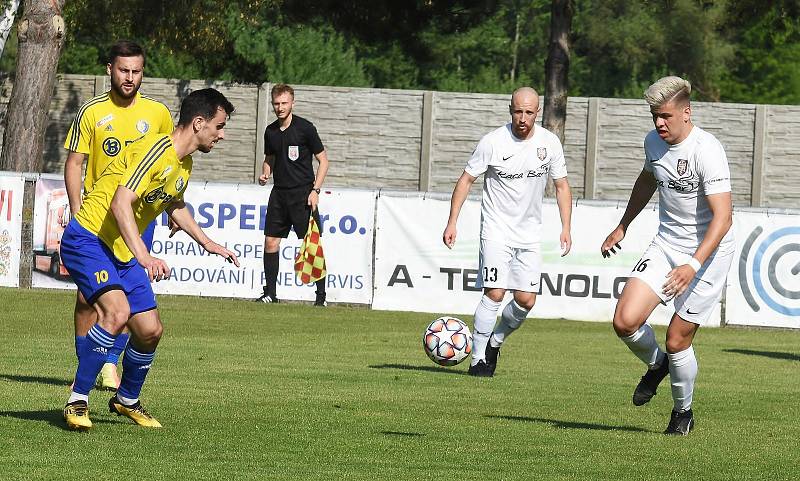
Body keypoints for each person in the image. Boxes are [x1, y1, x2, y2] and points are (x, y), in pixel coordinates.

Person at [61, 88, 238, 430]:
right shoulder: (157, 149)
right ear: (198, 123)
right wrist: (145, 256)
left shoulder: (184, 162)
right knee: (117, 313)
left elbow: (174, 203)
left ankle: (126, 400)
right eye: (219, 125)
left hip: (121, 250)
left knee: (150, 330)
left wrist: (208, 243)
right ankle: (77, 399)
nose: (222, 134)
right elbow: (120, 203)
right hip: (89, 239)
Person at [600, 76, 734, 435]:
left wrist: (692, 265)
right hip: (666, 245)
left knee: (677, 339)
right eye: (654, 116)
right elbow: (647, 180)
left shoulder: (708, 150)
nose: (659, 123)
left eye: (665, 116)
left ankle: (682, 413)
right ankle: (657, 365)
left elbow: (723, 219)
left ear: (686, 113)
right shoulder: (653, 143)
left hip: (709, 253)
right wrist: (623, 225)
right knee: (625, 321)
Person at [63, 40, 174, 390]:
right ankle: (88, 361)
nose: (130, 77)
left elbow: (169, 165)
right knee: (86, 299)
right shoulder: (92, 112)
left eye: (136, 71)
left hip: (136, 218)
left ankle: (110, 363)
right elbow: (74, 163)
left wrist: (171, 208)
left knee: (124, 298)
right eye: (124, 70)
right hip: (96, 220)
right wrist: (76, 206)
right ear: (109, 69)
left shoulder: (157, 114)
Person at [442, 87, 573, 377]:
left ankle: (495, 341)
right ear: (510, 109)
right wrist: (453, 221)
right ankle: (477, 360)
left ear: (537, 113)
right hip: (496, 229)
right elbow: (466, 181)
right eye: (518, 111)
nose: (523, 118)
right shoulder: (492, 142)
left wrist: (566, 227)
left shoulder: (549, 143)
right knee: (495, 292)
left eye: (529, 112)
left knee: (526, 299)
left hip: (529, 233)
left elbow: (562, 186)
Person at [255, 84, 329, 306]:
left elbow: (324, 161)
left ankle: (321, 298)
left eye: (284, 103)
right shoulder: (270, 131)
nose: (280, 108)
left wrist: (315, 191)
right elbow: (270, 158)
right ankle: (271, 294)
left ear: (292, 103)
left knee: (311, 245)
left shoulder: (306, 128)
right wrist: (265, 172)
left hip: (303, 195)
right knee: (270, 242)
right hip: (279, 194)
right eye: (276, 104)